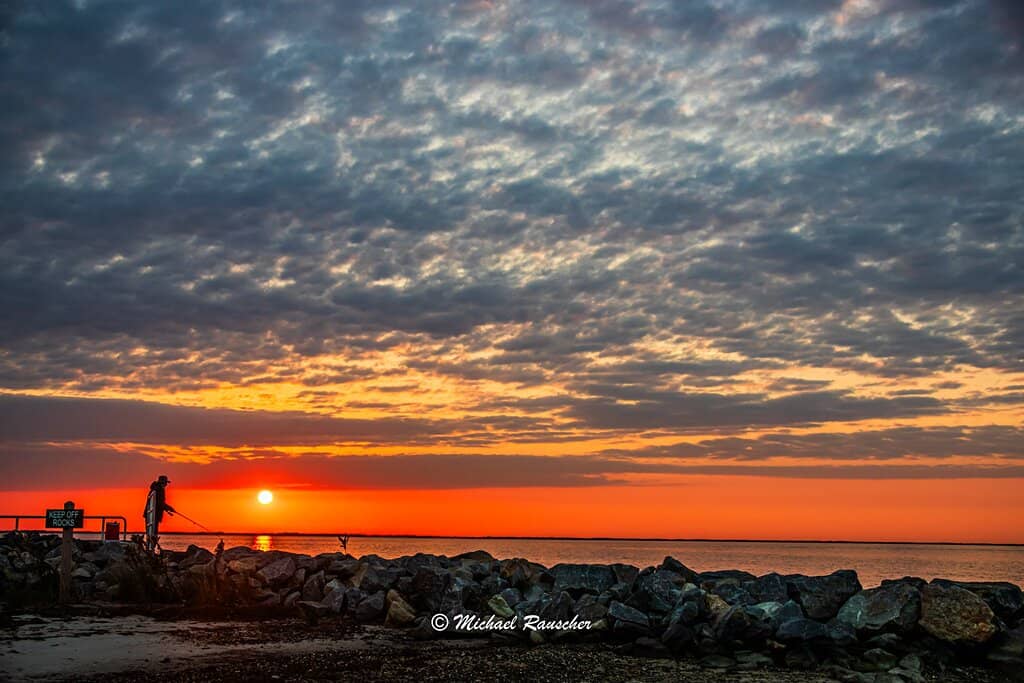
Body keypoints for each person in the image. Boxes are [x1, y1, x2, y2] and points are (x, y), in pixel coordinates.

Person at [143, 475, 176, 552]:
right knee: (153, 533)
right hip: (154, 515)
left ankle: (150, 549)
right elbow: (160, 503)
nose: (166, 485)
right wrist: (169, 508)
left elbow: (159, 503)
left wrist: (167, 509)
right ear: (163, 483)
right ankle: (151, 550)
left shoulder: (155, 489)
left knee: (150, 533)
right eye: (166, 483)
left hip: (150, 515)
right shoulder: (159, 490)